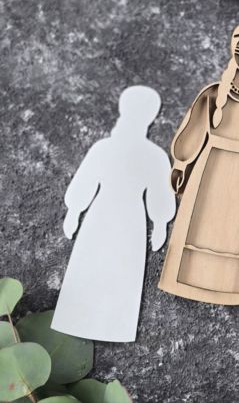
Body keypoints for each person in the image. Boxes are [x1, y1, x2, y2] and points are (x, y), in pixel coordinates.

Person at [159, 22, 239, 305]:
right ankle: (183, 277)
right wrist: (181, 163)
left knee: (229, 232)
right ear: (233, 47)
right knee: (197, 224)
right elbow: (193, 128)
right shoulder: (212, 94)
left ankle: (223, 285)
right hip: (207, 169)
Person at [52, 86, 175, 342]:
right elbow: (86, 179)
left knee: (121, 271)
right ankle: (75, 319)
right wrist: (73, 211)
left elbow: (160, 194)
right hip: (102, 216)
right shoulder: (106, 148)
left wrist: (161, 223)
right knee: (90, 265)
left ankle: (114, 327)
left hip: (129, 222)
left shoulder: (154, 155)